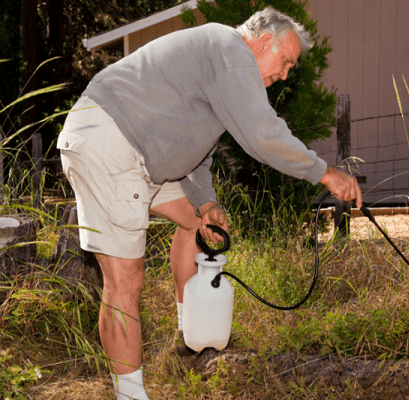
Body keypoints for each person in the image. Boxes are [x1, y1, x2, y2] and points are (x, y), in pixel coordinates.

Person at [58, 6, 362, 400]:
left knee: (197, 225)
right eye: (286, 62)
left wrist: (205, 203)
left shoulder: (220, 60)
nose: (285, 74)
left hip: (141, 152)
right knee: (124, 282)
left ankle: (190, 337)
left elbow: (198, 151)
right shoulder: (229, 49)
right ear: (264, 41)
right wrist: (327, 173)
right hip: (109, 139)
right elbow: (263, 135)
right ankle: (131, 396)